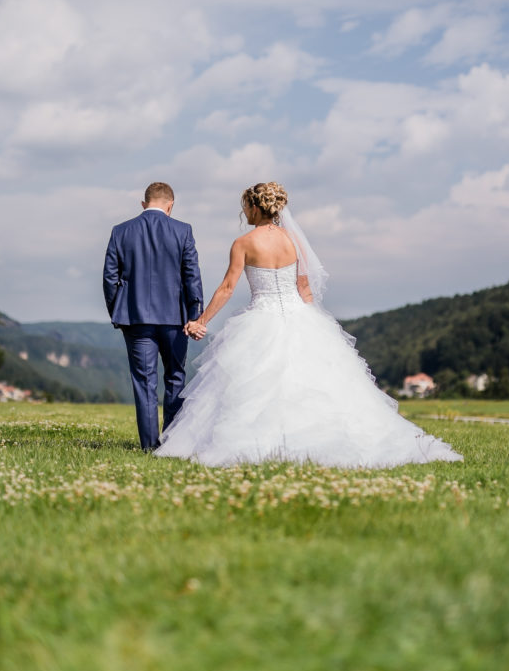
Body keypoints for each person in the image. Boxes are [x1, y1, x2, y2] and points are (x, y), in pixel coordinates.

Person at [155, 182, 462, 468]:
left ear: (257, 208)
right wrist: (315, 326)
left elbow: (226, 288)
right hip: (299, 317)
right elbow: (304, 288)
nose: (244, 213)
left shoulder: (243, 243)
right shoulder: (294, 241)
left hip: (260, 319)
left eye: (245, 208)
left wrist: (201, 321)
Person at [103, 182, 204, 452]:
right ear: (170, 205)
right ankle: (171, 443)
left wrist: (118, 311)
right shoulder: (183, 230)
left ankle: (149, 447)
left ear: (143, 203)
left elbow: (110, 277)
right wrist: (195, 316)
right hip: (175, 319)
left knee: (144, 382)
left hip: (135, 319)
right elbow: (192, 276)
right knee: (175, 377)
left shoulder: (120, 231)